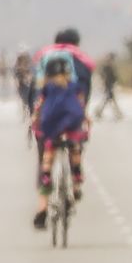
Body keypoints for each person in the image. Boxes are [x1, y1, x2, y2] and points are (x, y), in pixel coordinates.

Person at [31, 56, 89, 228]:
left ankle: (47, 177)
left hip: (52, 127)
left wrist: (34, 120)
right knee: (74, 149)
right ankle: (76, 181)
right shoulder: (74, 86)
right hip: (71, 126)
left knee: (48, 154)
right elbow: (81, 106)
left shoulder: (46, 88)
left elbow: (39, 107)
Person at [96, 52, 125, 120]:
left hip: (110, 85)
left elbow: (114, 77)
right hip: (108, 86)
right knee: (109, 100)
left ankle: (99, 112)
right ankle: (117, 113)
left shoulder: (110, 66)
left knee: (108, 100)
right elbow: (104, 76)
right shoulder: (106, 67)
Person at [13, 48, 35, 118]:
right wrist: (17, 83)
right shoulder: (17, 67)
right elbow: (16, 76)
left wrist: (29, 79)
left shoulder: (29, 66)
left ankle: (27, 113)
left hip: (28, 85)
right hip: (21, 85)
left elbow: (31, 74)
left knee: (28, 100)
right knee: (24, 100)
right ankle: (24, 114)